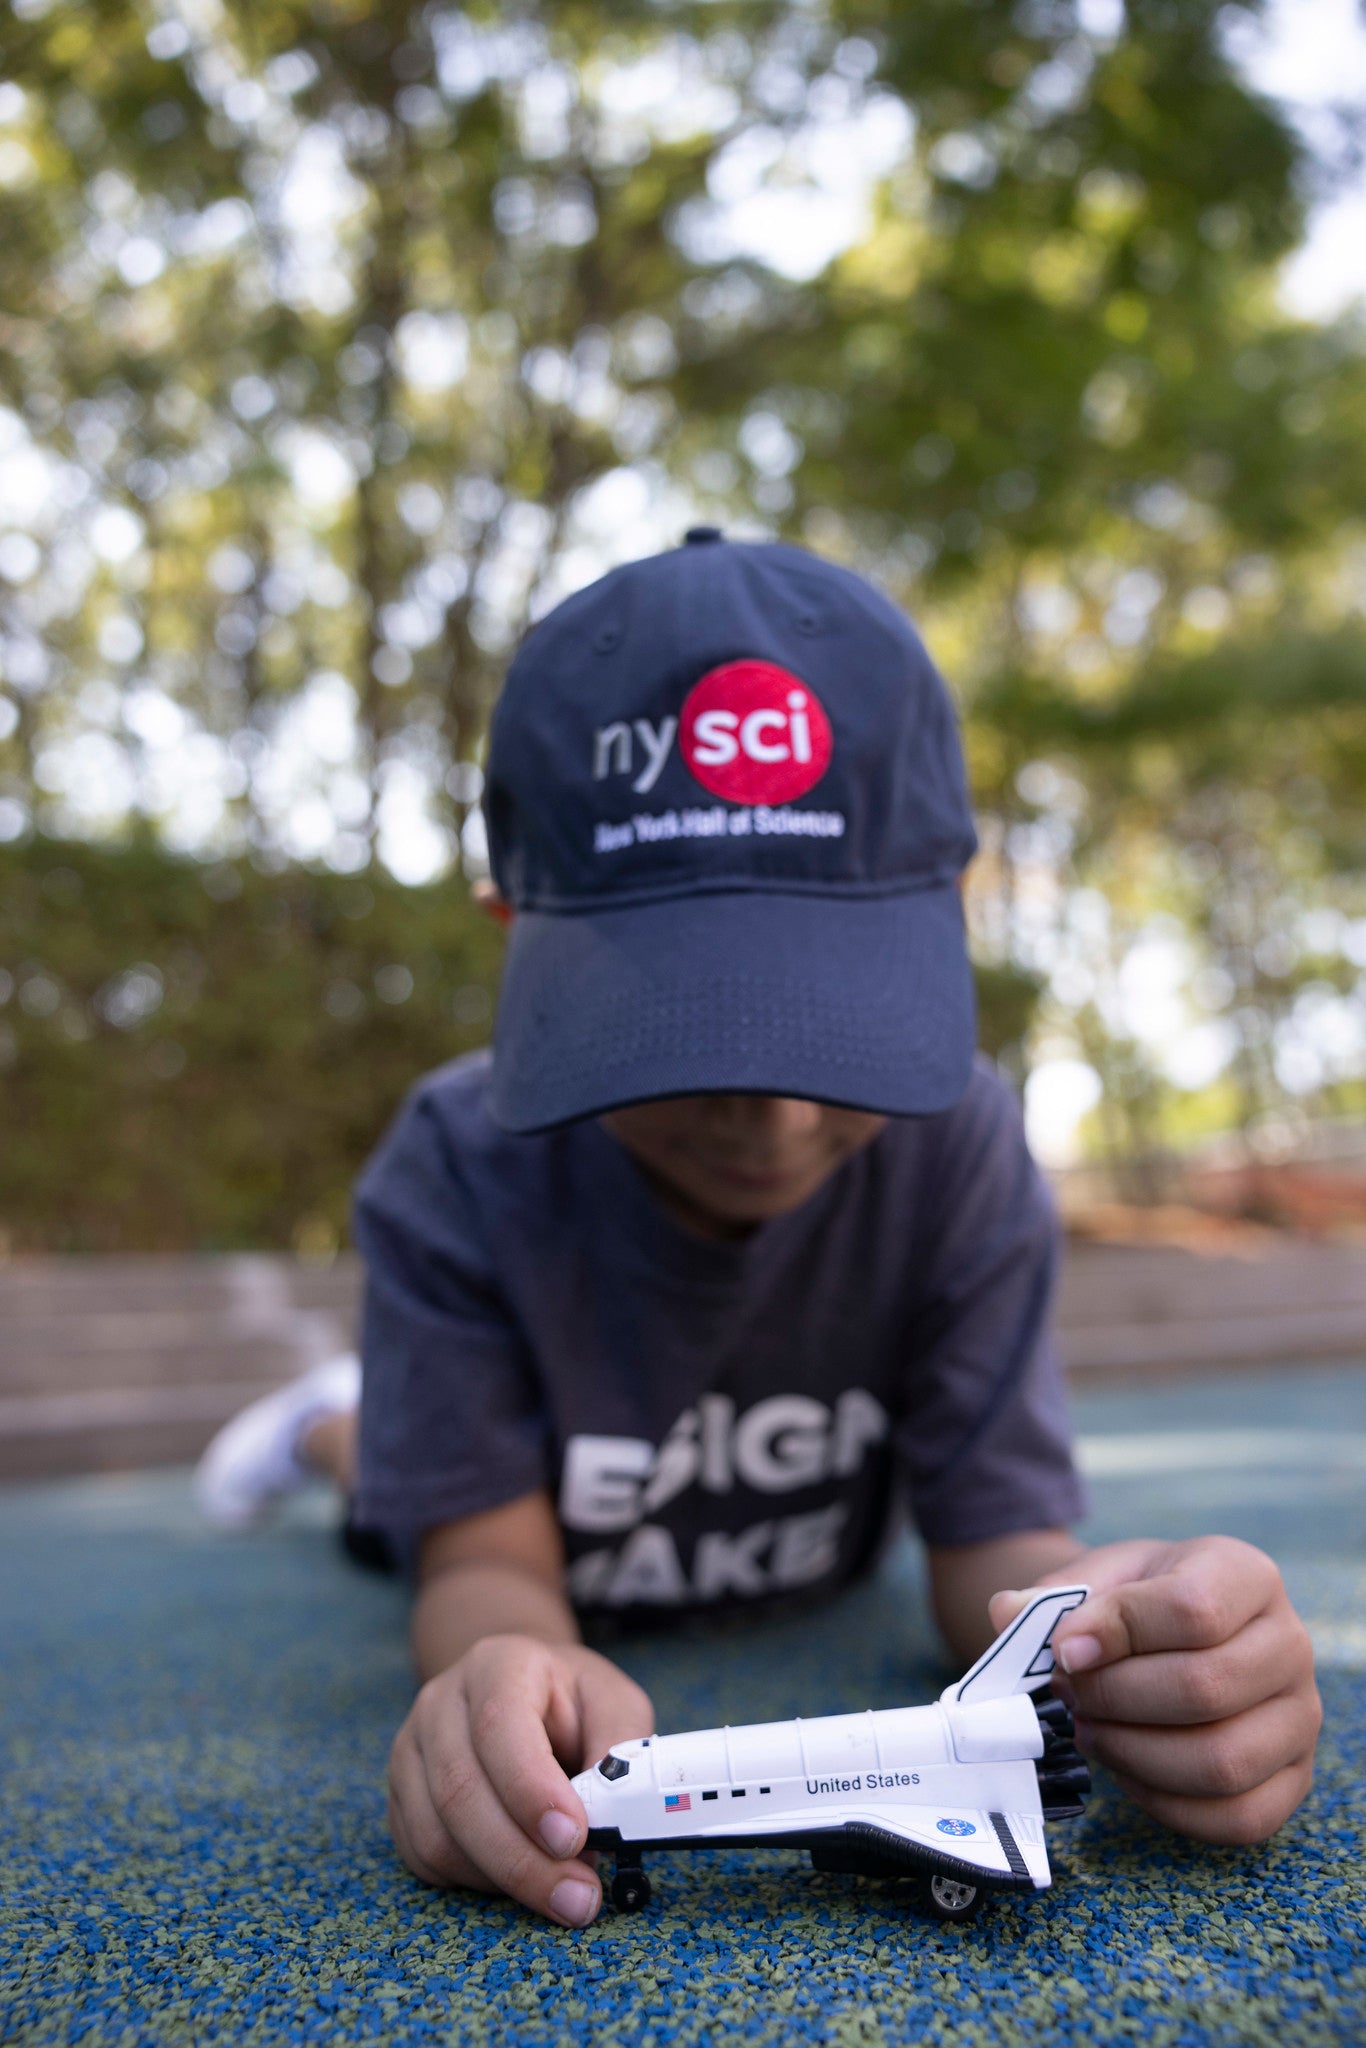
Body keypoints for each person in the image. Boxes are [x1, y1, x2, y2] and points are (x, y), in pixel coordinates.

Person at [197, 528, 1321, 1931]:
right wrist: (500, 1660)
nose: (776, 1120)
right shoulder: (454, 1163)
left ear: (945, 909)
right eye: (683, 1030)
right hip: (510, 1518)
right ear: (512, 928)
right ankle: (326, 1424)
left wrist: (1117, 1617)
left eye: (833, 1024)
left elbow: (998, 1557)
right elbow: (485, 1564)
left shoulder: (961, 1150)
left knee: (408, 1454)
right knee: (386, 1490)